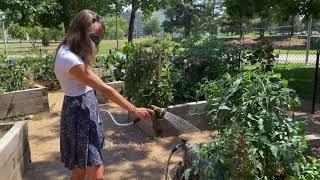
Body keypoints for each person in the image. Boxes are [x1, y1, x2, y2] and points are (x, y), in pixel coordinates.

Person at [54, 10, 154, 180]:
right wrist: (134, 110)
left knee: (80, 168)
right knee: (96, 171)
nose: (97, 41)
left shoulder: (67, 49)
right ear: (81, 33)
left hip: (82, 112)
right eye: (94, 37)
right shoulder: (71, 60)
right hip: (80, 117)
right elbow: (107, 90)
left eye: (100, 37)